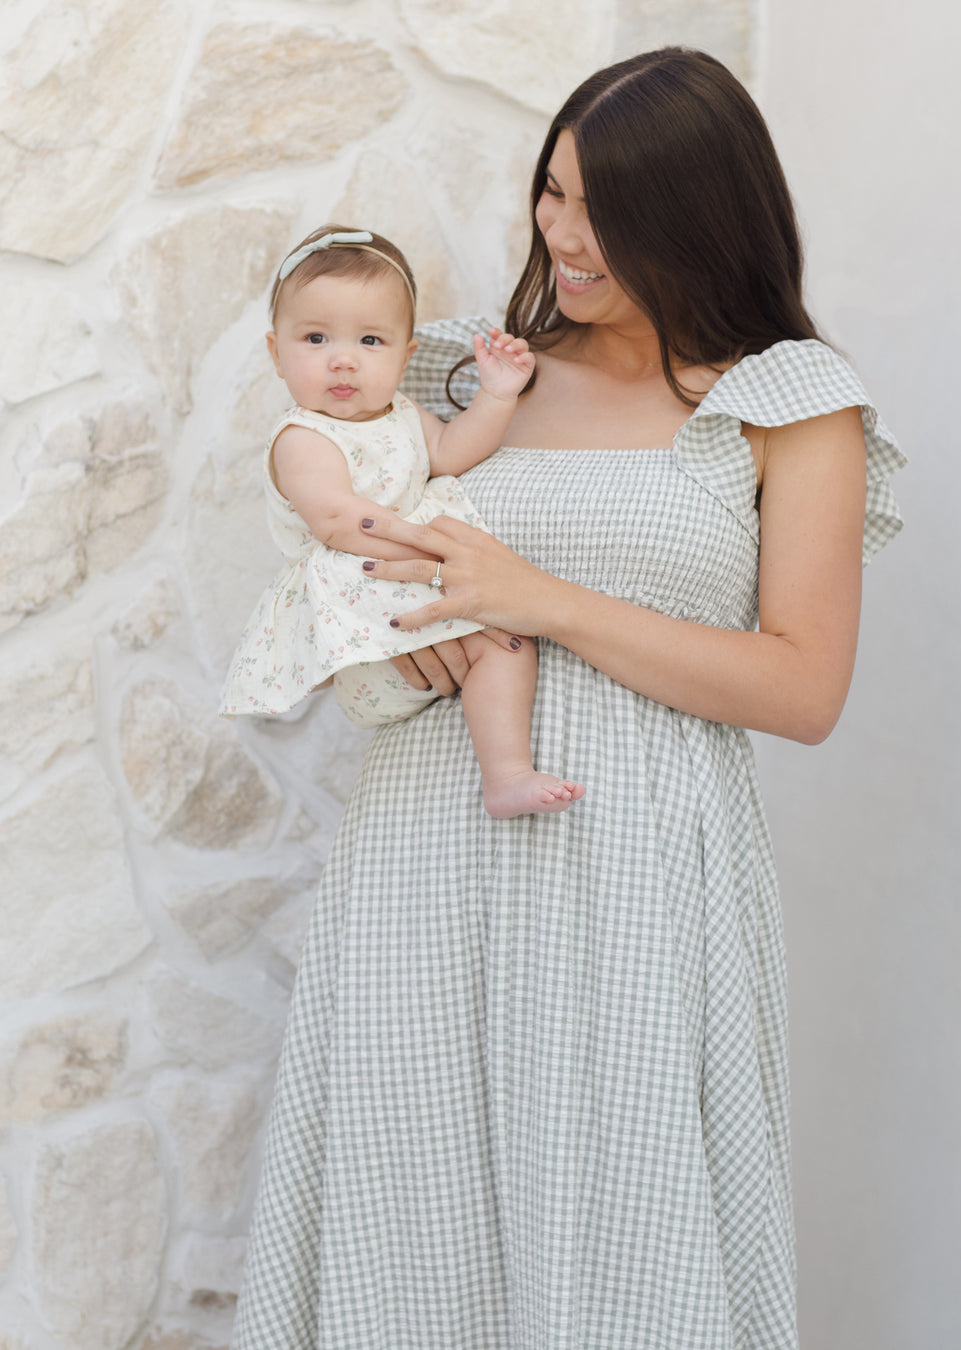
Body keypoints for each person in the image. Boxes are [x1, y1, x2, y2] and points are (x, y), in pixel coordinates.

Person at [233, 47, 905, 1350]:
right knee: (415, 1216)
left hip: (642, 861)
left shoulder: (787, 404)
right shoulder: (469, 370)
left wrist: (541, 598)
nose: (563, 233)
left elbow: (804, 684)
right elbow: (343, 518)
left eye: (605, 208)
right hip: (431, 846)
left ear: (700, 216)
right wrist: (388, 627)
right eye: (553, 192)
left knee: (624, 1236)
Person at [220, 224, 583, 818]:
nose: (342, 359)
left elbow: (454, 453)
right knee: (494, 639)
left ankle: (509, 772)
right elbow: (340, 520)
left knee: (510, 646)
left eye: (370, 340)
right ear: (275, 354)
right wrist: (445, 558)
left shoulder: (405, 414)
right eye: (315, 338)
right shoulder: (303, 437)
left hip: (410, 602)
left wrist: (496, 396)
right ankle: (503, 772)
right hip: (372, 624)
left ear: (405, 355)